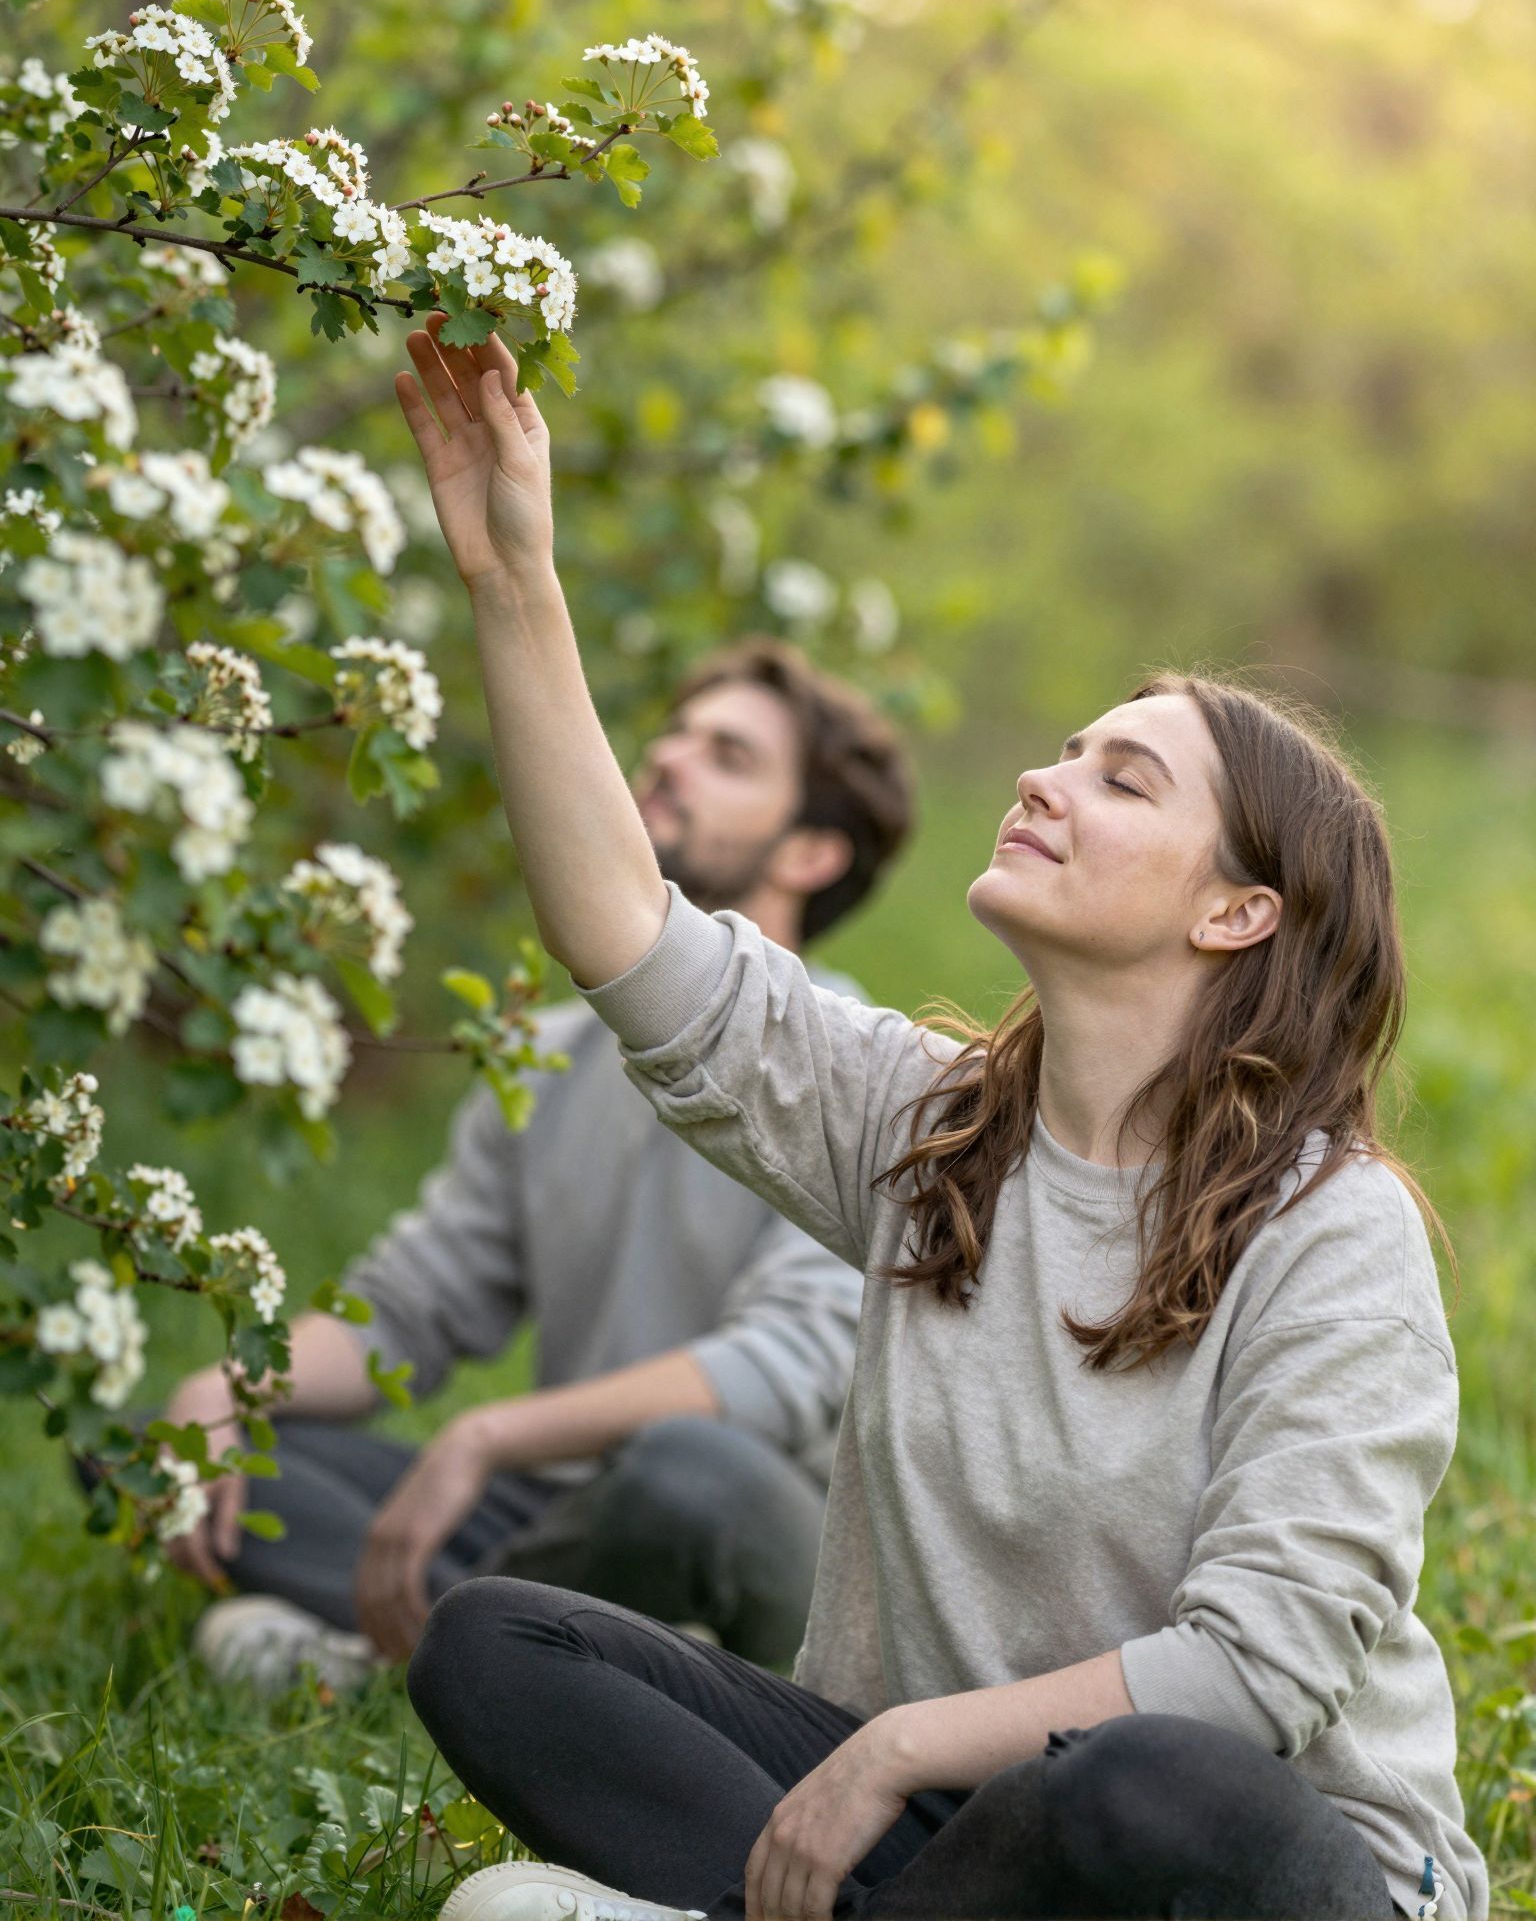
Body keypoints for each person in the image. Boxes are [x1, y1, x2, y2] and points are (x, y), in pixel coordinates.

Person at [390, 312, 1490, 1921]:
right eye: (1066, 752)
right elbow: (630, 939)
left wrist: (899, 1744)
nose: (1046, 779)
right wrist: (513, 583)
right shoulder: (930, 1127)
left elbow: (1256, 1677)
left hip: (1246, 1865)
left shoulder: (1333, 1231)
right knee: (500, 1641)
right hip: (946, 1848)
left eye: (1122, 780)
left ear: (1237, 913)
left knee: (1144, 1780)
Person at [162, 630, 913, 1692]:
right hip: (549, 1508)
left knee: (687, 1479)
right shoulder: (546, 1058)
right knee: (172, 1448)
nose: (669, 757)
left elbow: (781, 1371)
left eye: (729, 756)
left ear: (810, 854)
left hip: (755, 1527)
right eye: (677, 734)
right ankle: (556, 1647)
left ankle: (419, 1647)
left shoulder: (855, 1067)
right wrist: (229, 1388)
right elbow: (413, 1306)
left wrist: (487, 1432)